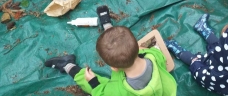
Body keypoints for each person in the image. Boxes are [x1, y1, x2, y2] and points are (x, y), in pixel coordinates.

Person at [44, 6, 177, 95]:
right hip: (162, 89)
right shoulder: (153, 55)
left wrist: (93, 83)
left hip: (123, 89)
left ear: (113, 68)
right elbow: (159, 55)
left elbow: (102, 93)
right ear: (137, 48)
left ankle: (68, 65)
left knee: (90, 81)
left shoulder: (117, 91)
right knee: (116, 43)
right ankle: (108, 26)